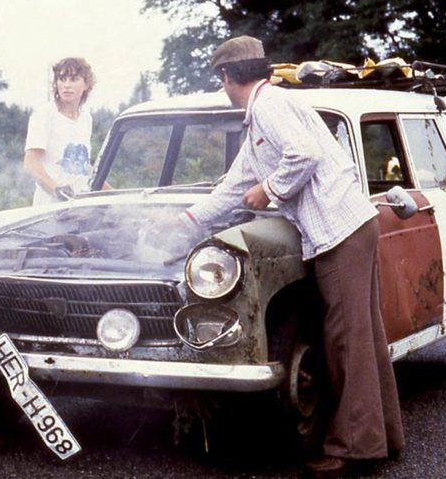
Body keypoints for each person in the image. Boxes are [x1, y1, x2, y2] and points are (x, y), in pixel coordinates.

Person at [172, 36, 405, 475]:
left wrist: (271, 190)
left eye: (220, 79)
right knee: (364, 338)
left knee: (344, 342)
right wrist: (186, 218)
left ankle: (354, 449)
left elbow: (306, 154)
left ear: (227, 77)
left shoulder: (269, 107)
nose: (221, 86)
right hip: (350, 226)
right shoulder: (263, 113)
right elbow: (233, 184)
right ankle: (383, 437)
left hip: (340, 232)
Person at [23, 57, 96, 205]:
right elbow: (30, 163)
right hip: (50, 208)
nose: (66, 85)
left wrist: (117, 196)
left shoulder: (86, 118)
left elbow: (83, 166)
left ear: (86, 84)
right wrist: (58, 190)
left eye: (74, 79)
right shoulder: (45, 114)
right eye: (62, 79)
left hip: (80, 208)